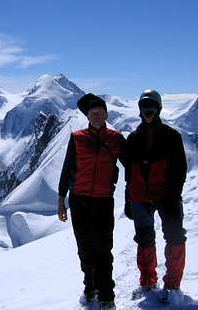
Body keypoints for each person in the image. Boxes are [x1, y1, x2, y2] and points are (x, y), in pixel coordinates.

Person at [57, 93, 126, 310]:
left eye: (100, 112)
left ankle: (107, 293)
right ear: (87, 115)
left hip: (103, 201)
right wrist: (61, 201)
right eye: (92, 113)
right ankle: (90, 286)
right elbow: (67, 169)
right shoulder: (77, 137)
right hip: (78, 201)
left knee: (103, 249)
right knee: (85, 248)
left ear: (106, 113)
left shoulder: (116, 139)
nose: (96, 116)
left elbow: (132, 165)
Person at [124, 89, 187, 304]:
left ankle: (172, 286)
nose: (147, 111)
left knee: (175, 237)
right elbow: (129, 172)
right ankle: (148, 281)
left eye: (151, 107)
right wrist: (127, 198)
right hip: (140, 196)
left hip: (166, 196)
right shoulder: (132, 139)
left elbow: (180, 169)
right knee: (144, 239)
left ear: (158, 109)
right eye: (144, 107)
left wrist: (173, 195)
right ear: (139, 110)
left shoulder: (171, 137)